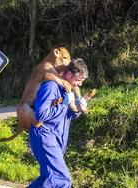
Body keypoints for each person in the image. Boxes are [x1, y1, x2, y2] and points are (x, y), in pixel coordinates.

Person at [28, 58, 88, 188]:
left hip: (56, 139)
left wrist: (78, 106)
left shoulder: (68, 90)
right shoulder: (50, 87)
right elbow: (40, 115)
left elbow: (67, 115)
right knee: (62, 180)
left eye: (82, 81)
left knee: (47, 179)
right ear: (68, 74)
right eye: (79, 80)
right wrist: (64, 104)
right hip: (44, 137)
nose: (80, 84)